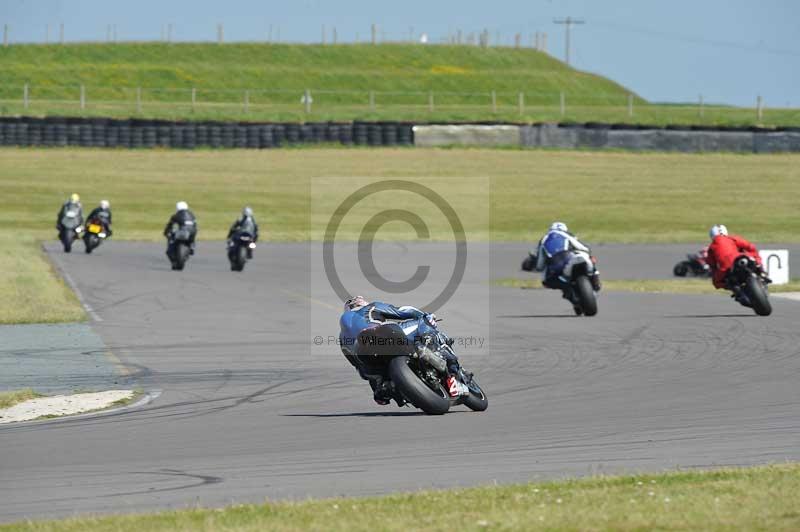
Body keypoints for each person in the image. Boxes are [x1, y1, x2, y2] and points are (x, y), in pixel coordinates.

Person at [339, 296, 469, 405]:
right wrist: (426, 316)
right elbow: (402, 311)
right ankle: (447, 367)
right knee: (423, 323)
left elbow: (357, 365)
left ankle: (388, 386)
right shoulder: (370, 307)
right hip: (386, 334)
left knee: (378, 385)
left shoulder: (342, 337)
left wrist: (377, 388)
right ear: (360, 303)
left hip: (366, 356)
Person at [534, 221, 600, 289]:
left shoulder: (543, 239)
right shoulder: (567, 235)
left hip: (555, 267)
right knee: (589, 259)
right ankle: (595, 280)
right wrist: (589, 254)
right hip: (568, 259)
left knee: (547, 281)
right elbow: (582, 247)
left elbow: (539, 265)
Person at [706, 224, 764, 298]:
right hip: (740, 259)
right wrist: (757, 259)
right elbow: (749, 246)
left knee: (716, 283)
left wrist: (718, 277)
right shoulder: (732, 238)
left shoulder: (711, 247)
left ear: (712, 235)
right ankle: (761, 271)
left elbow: (712, 265)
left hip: (725, 268)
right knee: (754, 260)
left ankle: (734, 289)